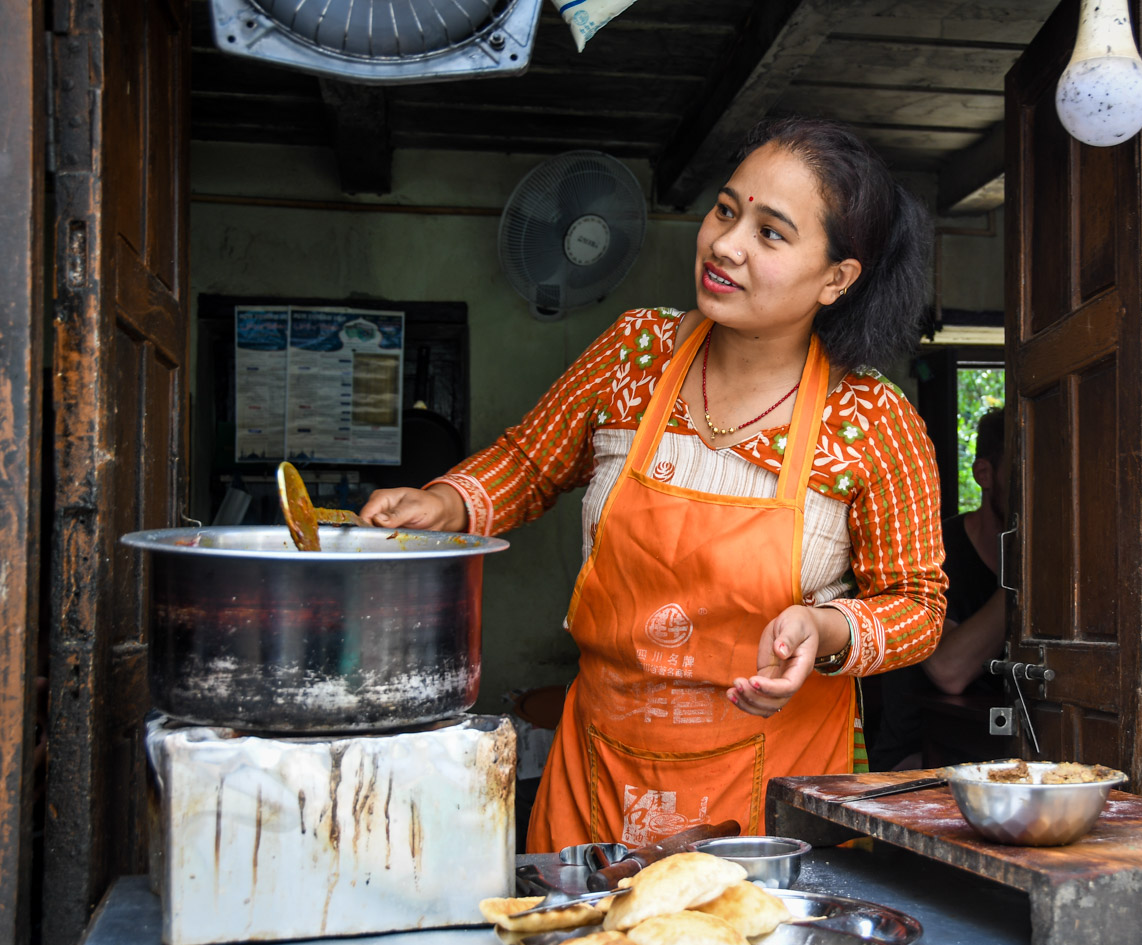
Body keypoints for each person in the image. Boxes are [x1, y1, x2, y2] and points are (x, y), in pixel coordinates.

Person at [360, 116, 946, 852]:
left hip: (774, 788)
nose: (725, 244)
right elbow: (530, 462)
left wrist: (829, 630)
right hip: (599, 763)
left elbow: (918, 607)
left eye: (770, 233)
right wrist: (445, 501)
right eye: (727, 211)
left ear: (837, 277)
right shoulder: (634, 351)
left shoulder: (873, 419)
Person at [868, 407, 1007, 772]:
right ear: (984, 474)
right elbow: (948, 670)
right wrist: (1029, 583)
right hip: (918, 760)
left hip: (1004, 758)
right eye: (1024, 470)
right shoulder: (932, 553)